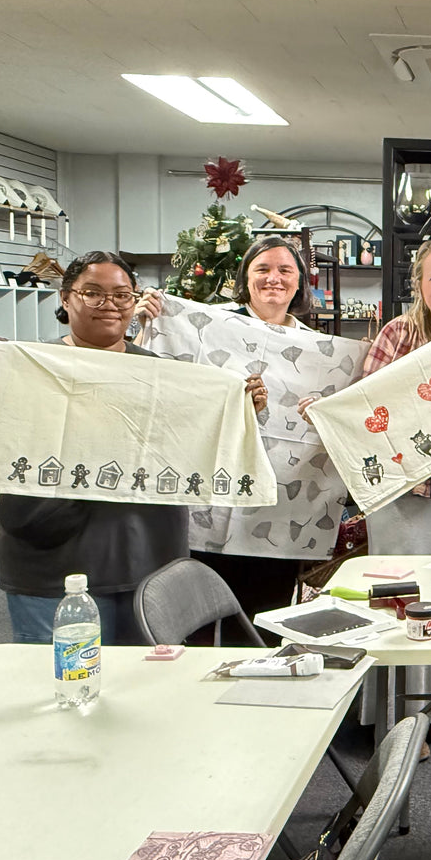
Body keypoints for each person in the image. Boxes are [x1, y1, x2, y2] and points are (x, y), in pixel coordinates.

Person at [0, 250, 267, 644]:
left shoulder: (160, 374)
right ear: (66, 298)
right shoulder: (32, 367)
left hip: (148, 561)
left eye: (122, 295)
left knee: (145, 688)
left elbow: (198, 446)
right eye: (93, 293)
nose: (110, 305)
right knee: (60, 686)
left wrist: (239, 408)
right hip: (52, 563)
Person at [306, 238, 431, 753]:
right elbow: (367, 403)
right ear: (418, 285)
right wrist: (327, 412)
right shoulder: (398, 334)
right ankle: (401, 713)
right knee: (402, 602)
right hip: (405, 496)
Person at [136, 235, 315, 631]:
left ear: (300, 281)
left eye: (286, 270)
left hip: (277, 501)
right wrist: (147, 323)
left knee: (262, 619)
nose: (274, 278)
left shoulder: (315, 350)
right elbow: (159, 383)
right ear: (244, 277)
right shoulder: (205, 327)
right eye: (263, 269)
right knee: (197, 614)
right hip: (210, 490)